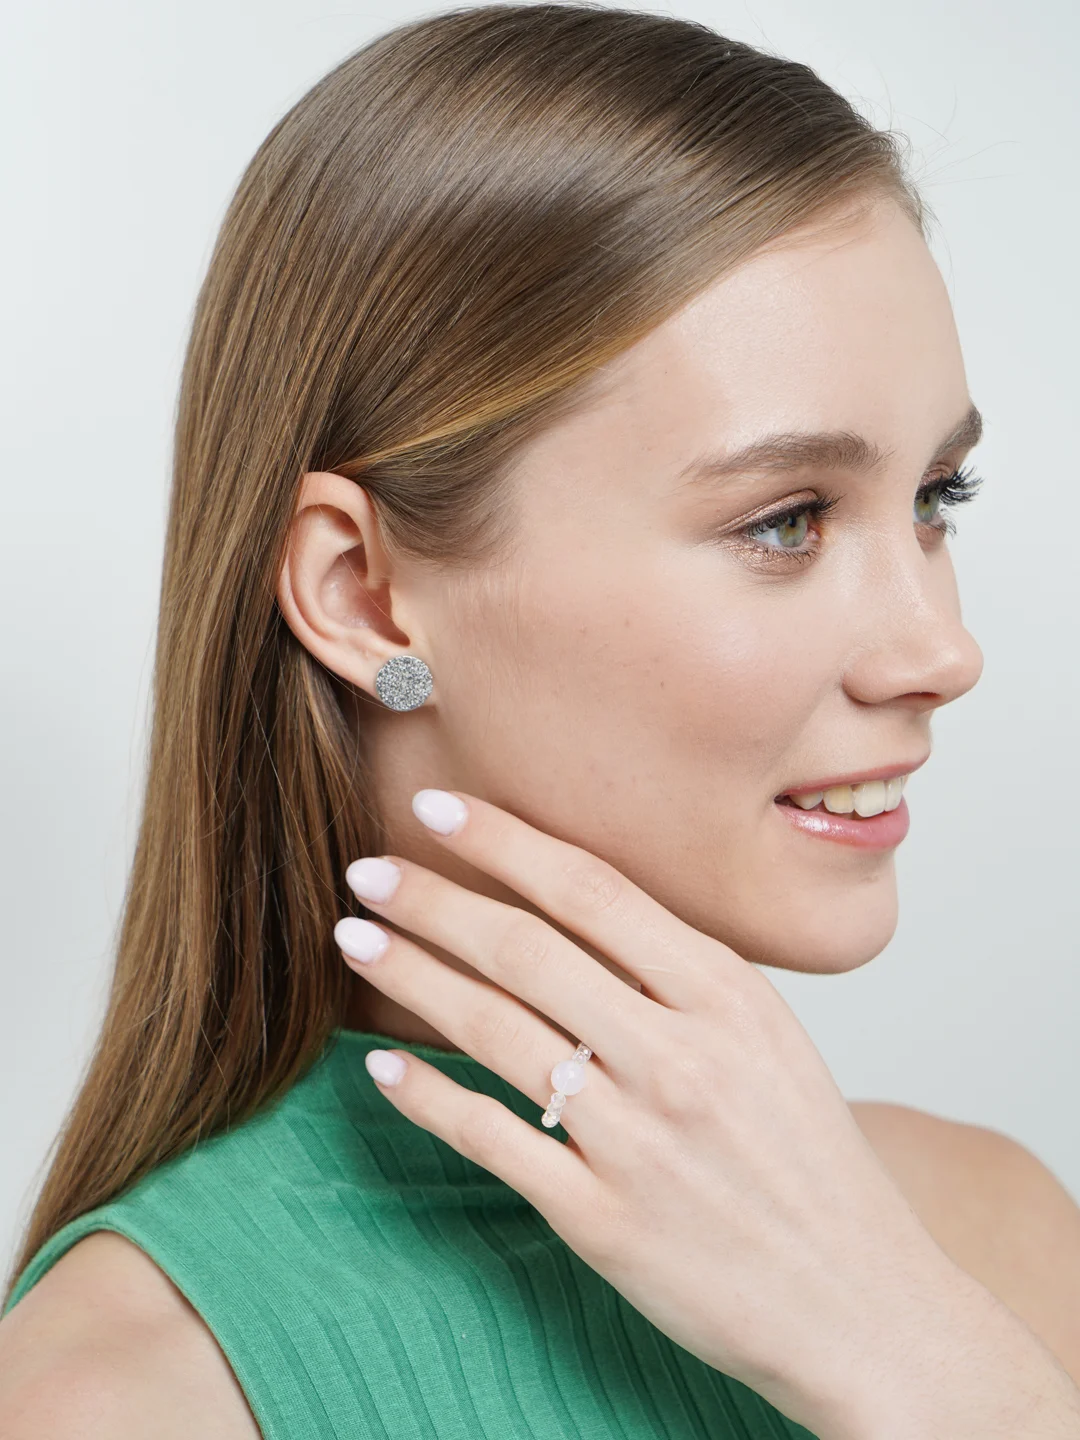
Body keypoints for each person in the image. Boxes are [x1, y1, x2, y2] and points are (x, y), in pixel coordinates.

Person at [2, 4, 1079, 1436]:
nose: (943, 651)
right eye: (785, 520)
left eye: (938, 497)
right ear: (365, 598)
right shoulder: (125, 1396)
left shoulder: (993, 1243)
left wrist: (923, 1362)